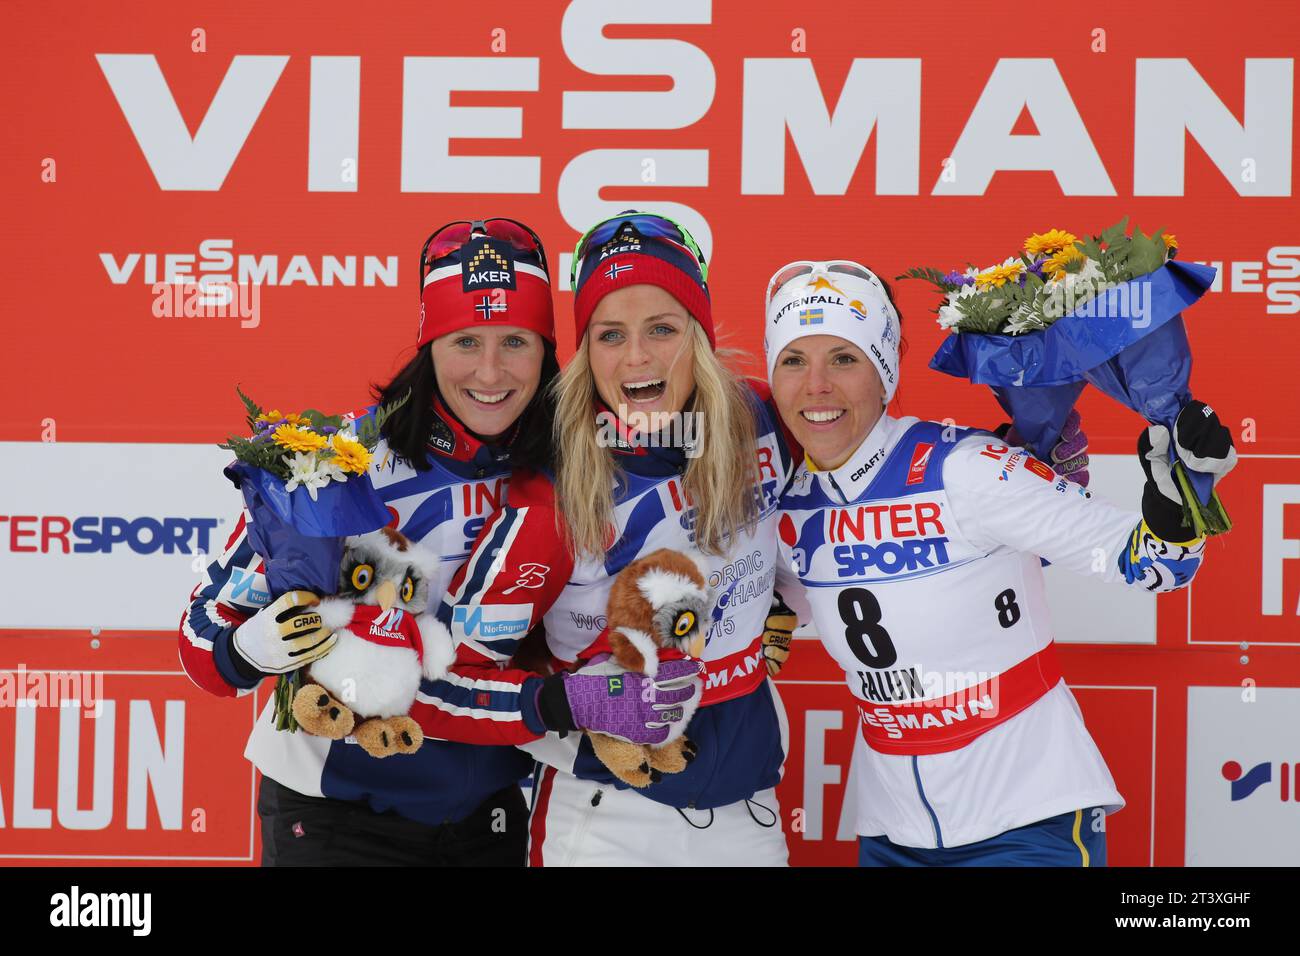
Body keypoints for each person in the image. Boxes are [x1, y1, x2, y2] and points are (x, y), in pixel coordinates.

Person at [178, 218, 662, 866]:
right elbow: (202, 644)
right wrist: (250, 647)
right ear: (427, 345)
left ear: (547, 352)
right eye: (465, 340)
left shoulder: (572, 472)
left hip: (486, 809)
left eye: (515, 341)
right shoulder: (339, 463)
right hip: (334, 811)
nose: (491, 372)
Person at [763, 259, 1237, 866]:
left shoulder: (968, 470)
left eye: (845, 358)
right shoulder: (790, 503)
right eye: (793, 360)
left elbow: (1155, 565)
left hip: (1025, 821)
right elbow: (773, 608)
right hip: (891, 833)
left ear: (884, 371)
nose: (817, 386)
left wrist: (1181, 501)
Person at [415, 211, 799, 866]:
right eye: (609, 334)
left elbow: (871, 485)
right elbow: (434, 686)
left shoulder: (764, 421)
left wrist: (780, 603)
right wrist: (561, 700)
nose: (637, 356)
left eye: (662, 329)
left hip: (747, 816)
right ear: (586, 352)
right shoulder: (558, 492)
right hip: (607, 825)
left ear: (699, 337)